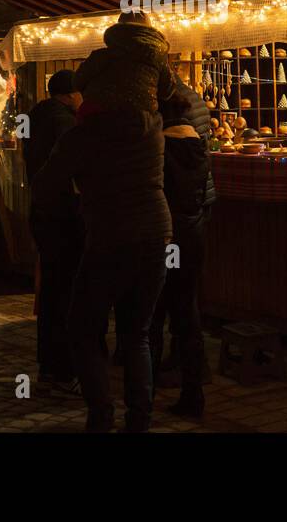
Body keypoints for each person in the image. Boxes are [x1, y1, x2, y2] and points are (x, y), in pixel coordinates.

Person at [32, 101, 171, 433]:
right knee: (136, 332)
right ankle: (139, 420)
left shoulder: (83, 136)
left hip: (110, 236)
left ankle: (101, 415)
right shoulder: (151, 125)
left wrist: (80, 192)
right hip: (156, 233)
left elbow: (44, 184)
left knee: (82, 328)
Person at [149, 92, 210, 418]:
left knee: (154, 312)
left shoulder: (160, 147)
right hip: (194, 233)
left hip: (166, 236)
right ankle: (193, 392)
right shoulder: (197, 144)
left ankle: (146, 392)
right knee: (188, 313)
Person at [24, 69, 84, 389]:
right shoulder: (64, 123)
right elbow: (71, 171)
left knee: (51, 291)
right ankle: (64, 369)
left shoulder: (36, 116)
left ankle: (49, 366)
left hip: (43, 213)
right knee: (66, 292)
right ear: (71, 94)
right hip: (62, 216)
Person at [73, 11, 175, 119]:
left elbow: (77, 81)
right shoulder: (156, 57)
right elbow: (167, 91)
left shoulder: (101, 55)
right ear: (150, 32)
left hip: (99, 116)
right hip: (141, 120)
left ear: (117, 31)